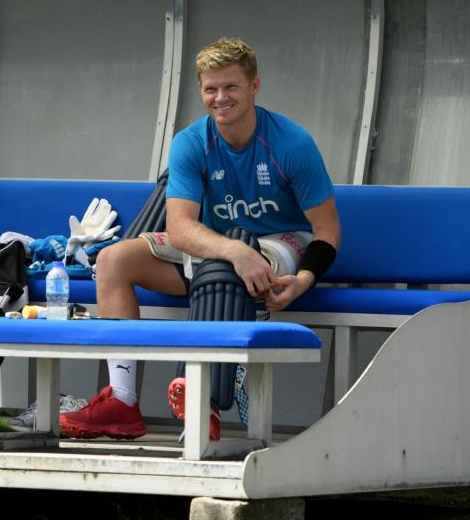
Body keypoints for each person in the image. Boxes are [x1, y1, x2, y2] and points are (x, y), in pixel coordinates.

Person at [59, 37, 341, 440]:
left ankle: (204, 401)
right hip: (222, 249)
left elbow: (328, 230)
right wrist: (233, 250)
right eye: (211, 89)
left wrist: (303, 281)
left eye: (231, 87)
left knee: (230, 256)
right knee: (112, 260)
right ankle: (122, 402)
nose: (220, 98)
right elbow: (180, 227)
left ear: (254, 86)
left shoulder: (292, 143)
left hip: (281, 243)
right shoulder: (191, 142)